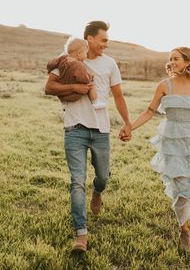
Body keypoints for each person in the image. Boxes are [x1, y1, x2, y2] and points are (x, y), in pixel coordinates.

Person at [45, 21, 131, 253]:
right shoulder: (66, 59)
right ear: (89, 39)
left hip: (101, 130)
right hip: (75, 128)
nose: (106, 44)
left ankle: (98, 192)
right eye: (103, 39)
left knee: (102, 176)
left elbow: (119, 96)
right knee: (76, 181)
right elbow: (49, 87)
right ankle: (80, 235)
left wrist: (128, 123)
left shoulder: (109, 63)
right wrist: (75, 86)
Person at [120, 47, 190, 253]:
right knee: (180, 187)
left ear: (188, 61)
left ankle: (184, 219)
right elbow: (150, 110)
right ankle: (185, 231)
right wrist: (130, 127)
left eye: (176, 58)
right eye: (169, 59)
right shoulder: (164, 85)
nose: (171, 62)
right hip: (171, 143)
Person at [47, 37, 106, 109]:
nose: (86, 56)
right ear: (79, 53)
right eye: (85, 54)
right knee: (91, 85)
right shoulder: (77, 64)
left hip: (63, 97)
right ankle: (95, 103)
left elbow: (52, 63)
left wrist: (49, 69)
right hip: (73, 98)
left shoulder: (62, 60)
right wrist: (89, 77)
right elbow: (83, 78)